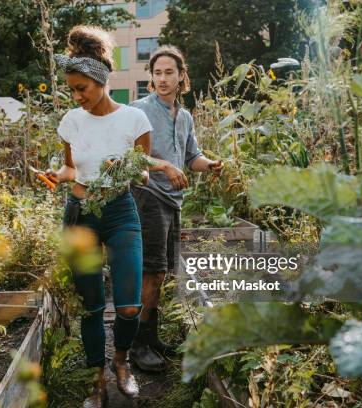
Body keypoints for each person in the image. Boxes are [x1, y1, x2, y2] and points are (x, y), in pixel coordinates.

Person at [45, 26, 153, 408]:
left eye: (82, 89)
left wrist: (123, 168)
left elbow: (142, 172)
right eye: (72, 90)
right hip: (80, 214)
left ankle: (122, 363)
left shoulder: (134, 121)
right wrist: (56, 175)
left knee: (127, 304)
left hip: (121, 211)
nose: (77, 97)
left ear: (101, 81)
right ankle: (97, 380)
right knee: (92, 304)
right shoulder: (72, 121)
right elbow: (71, 169)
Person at [129, 46, 223, 372]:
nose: (163, 79)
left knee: (162, 270)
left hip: (172, 200)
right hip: (147, 195)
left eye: (169, 73)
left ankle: (150, 338)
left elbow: (190, 157)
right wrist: (164, 166)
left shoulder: (184, 116)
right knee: (151, 270)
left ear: (181, 76)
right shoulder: (138, 110)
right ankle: (137, 346)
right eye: (157, 73)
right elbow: (130, 156)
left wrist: (209, 164)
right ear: (151, 78)